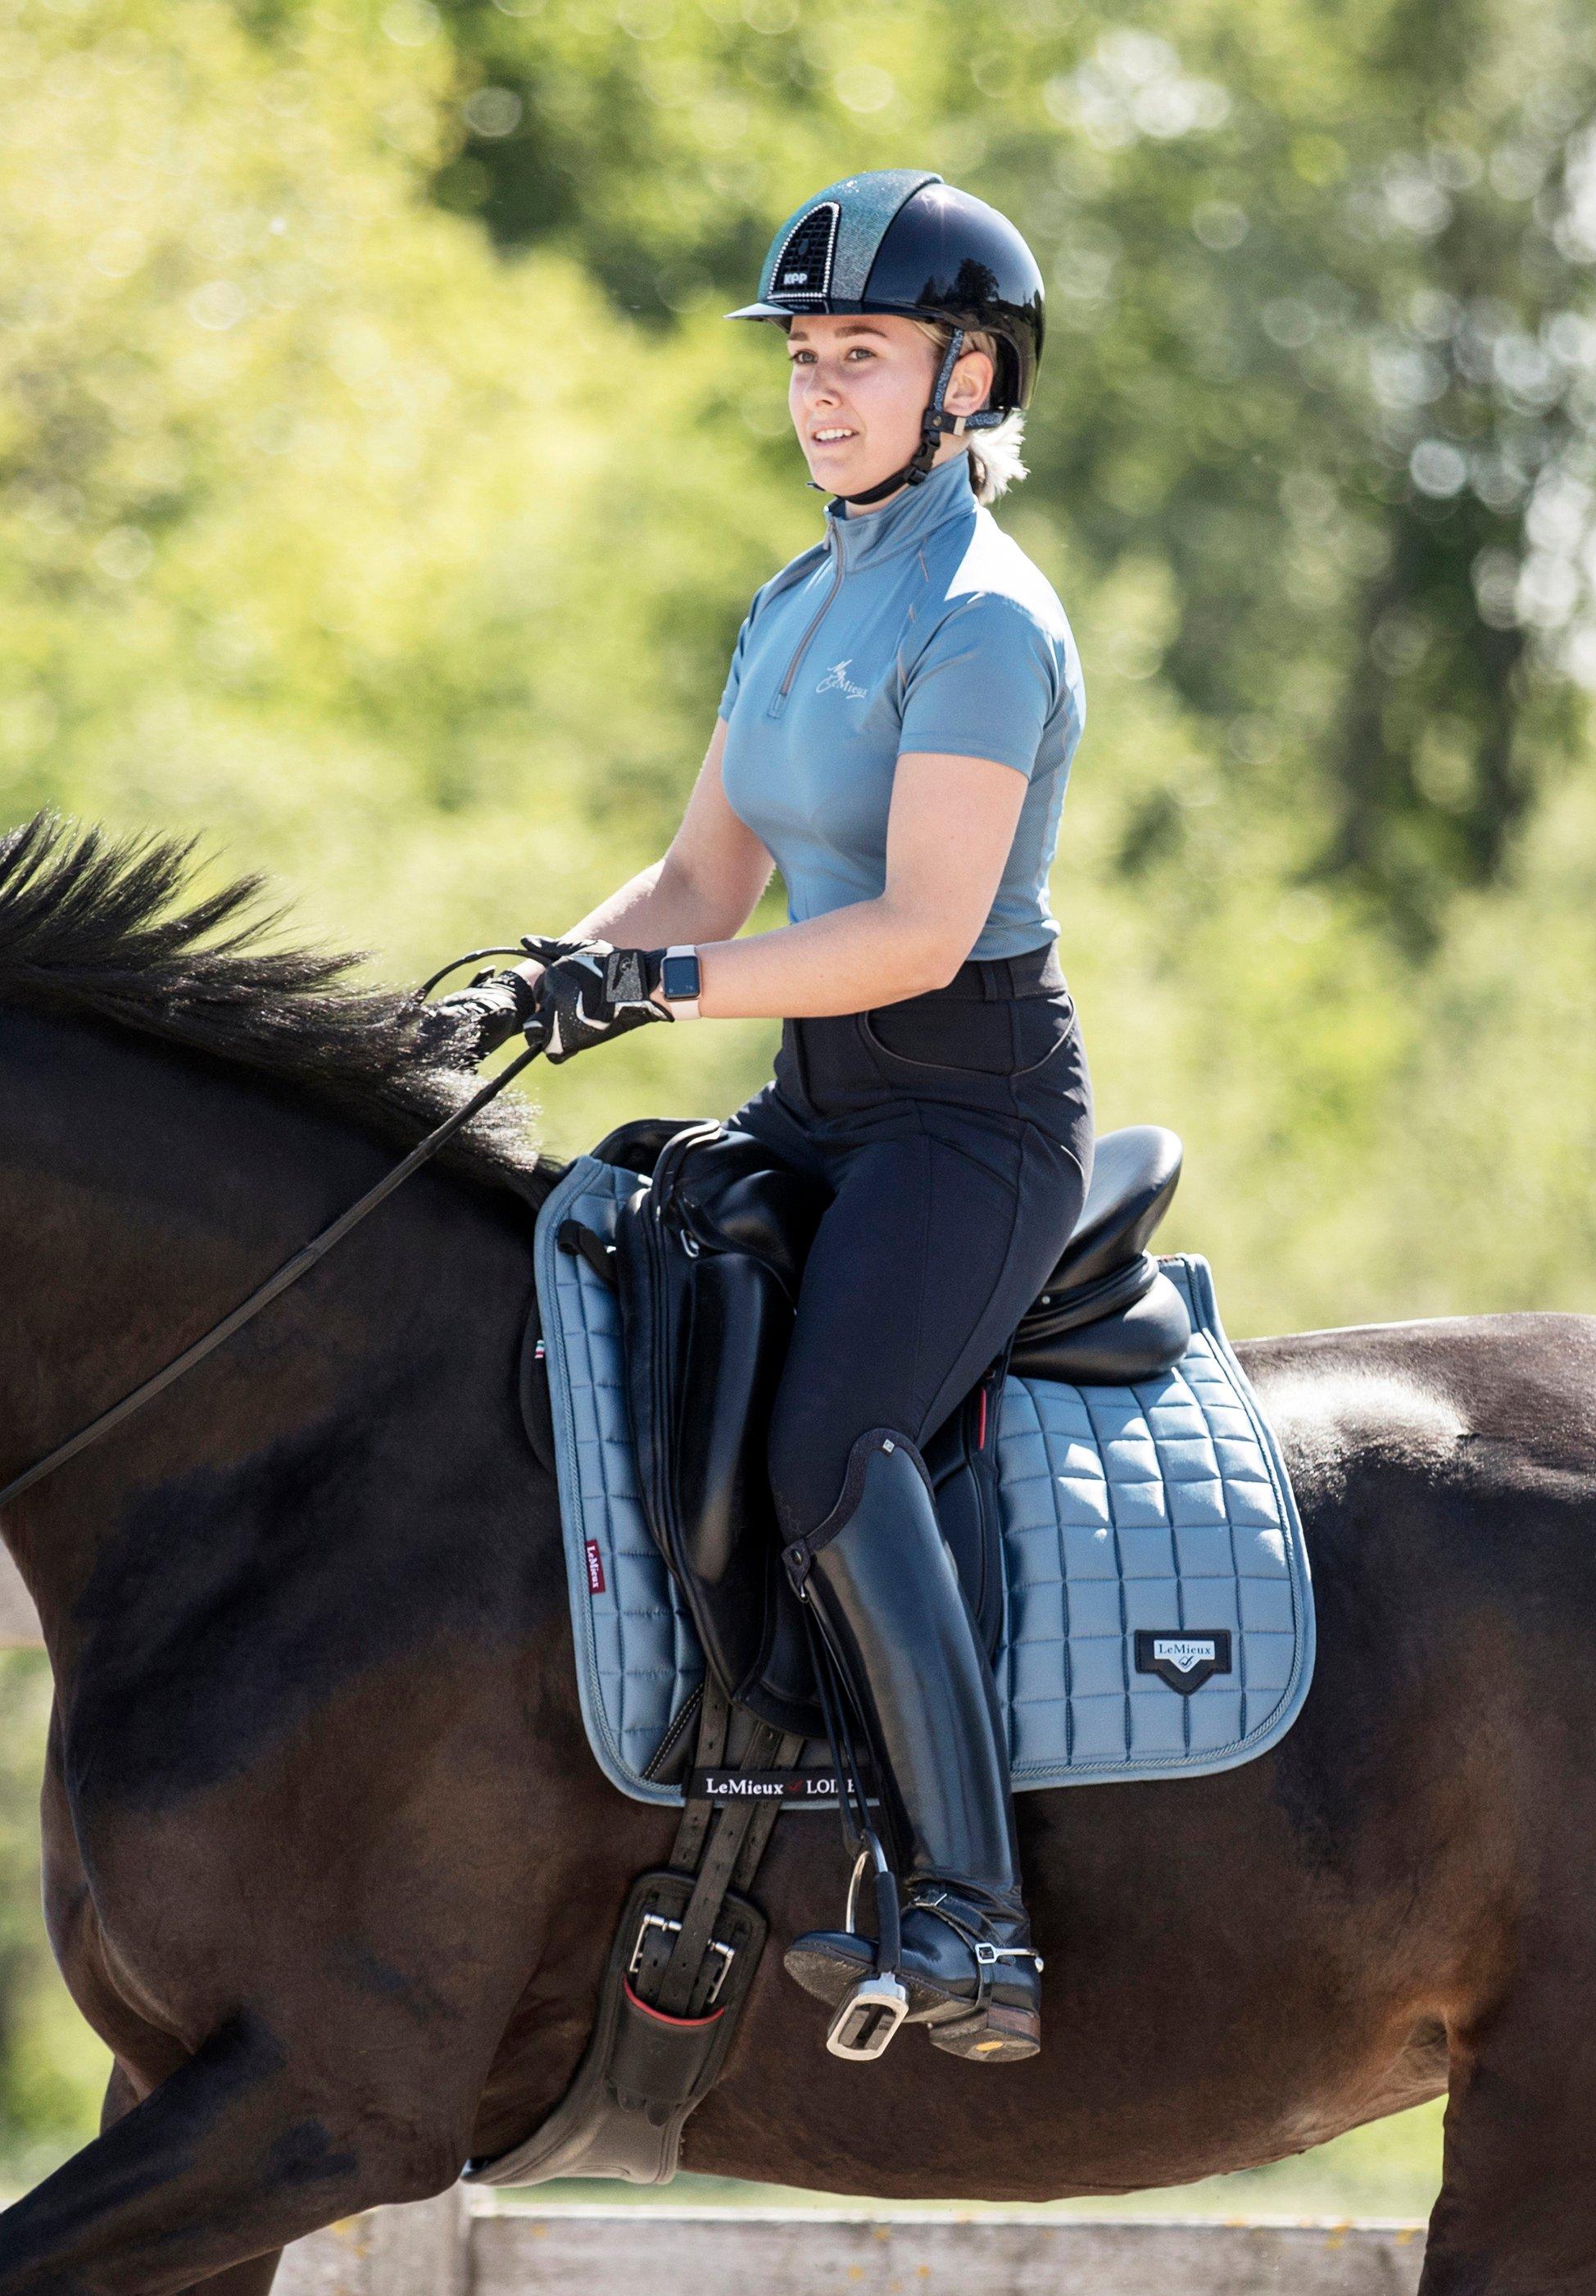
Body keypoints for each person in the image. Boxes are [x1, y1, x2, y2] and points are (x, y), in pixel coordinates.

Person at [515, 171, 1087, 2067]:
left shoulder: (986, 618)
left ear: (968, 376)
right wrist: (533, 980)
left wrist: (662, 994)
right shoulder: (790, 597)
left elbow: (918, 934)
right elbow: (697, 879)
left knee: (832, 1443)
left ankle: (971, 1914)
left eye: (863, 353)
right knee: (584, 1263)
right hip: (818, 1099)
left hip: (968, 1117)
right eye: (806, 356)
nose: (821, 390)